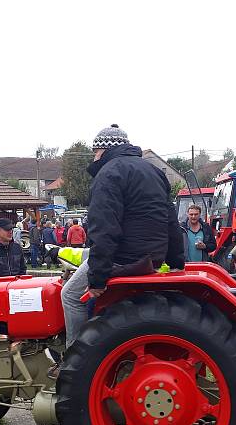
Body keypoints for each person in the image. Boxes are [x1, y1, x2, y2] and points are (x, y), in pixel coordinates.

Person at [58, 124, 184, 363]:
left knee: (70, 295)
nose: (94, 156)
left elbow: (104, 230)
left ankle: (74, 362)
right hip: (151, 255)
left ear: (102, 150)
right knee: (85, 260)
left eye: (94, 151)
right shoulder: (153, 171)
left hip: (125, 256)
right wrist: (177, 262)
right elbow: (171, 221)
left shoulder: (109, 173)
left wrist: (97, 279)